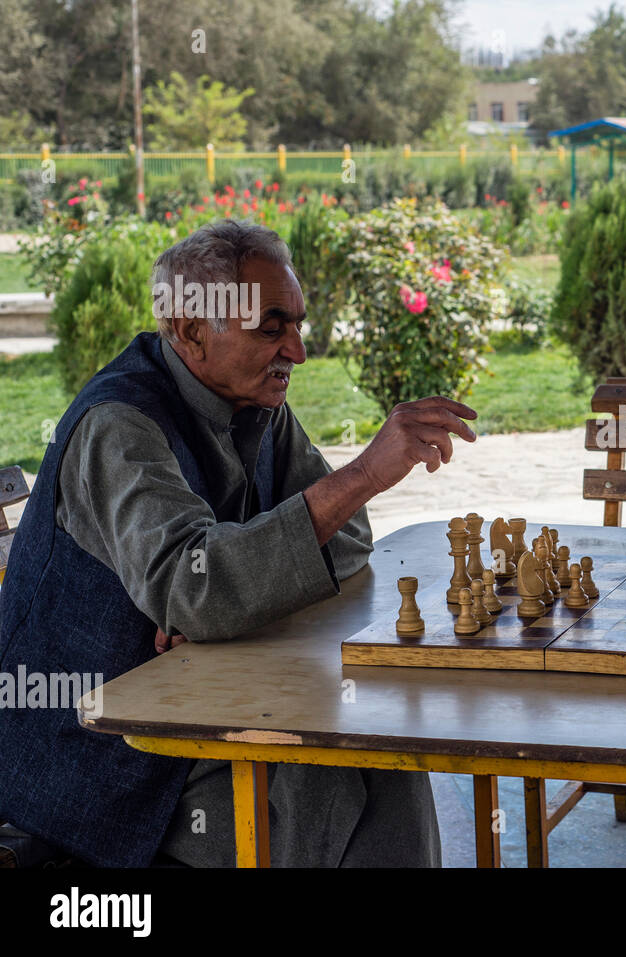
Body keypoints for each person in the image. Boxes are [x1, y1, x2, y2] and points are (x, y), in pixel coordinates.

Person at [0, 219, 477, 867]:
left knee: (385, 757)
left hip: (195, 711)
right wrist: (362, 474)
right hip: (100, 760)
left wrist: (228, 613)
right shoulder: (120, 426)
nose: (298, 350)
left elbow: (348, 538)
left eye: (298, 324)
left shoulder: (257, 400)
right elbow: (196, 588)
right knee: (333, 788)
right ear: (192, 329)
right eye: (271, 327)